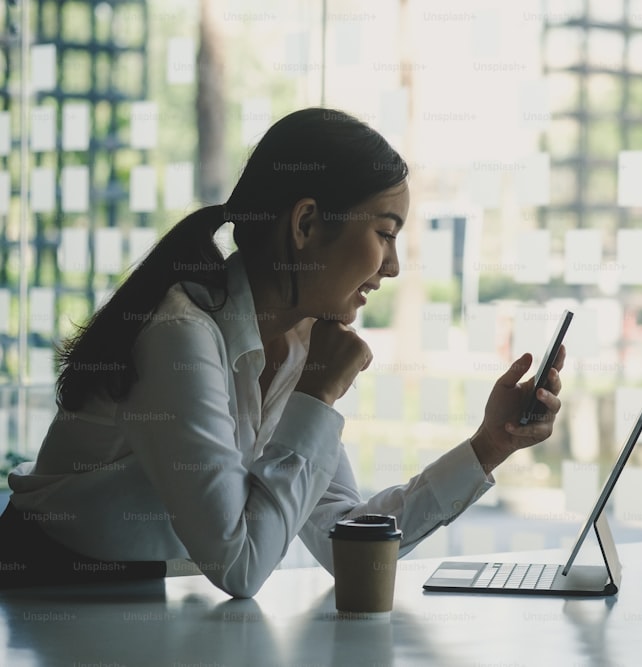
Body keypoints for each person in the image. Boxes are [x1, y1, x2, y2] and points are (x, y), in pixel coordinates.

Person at [0, 108, 565, 597]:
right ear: (307, 223)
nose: (393, 266)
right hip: (36, 596)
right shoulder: (182, 337)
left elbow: (345, 534)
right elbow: (239, 566)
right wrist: (317, 394)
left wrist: (488, 446)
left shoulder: (297, 344)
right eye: (386, 234)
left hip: (130, 601)